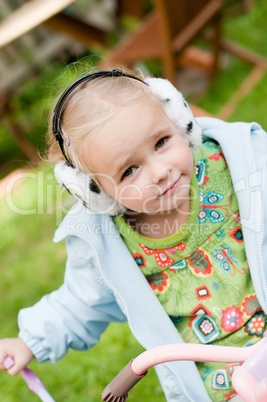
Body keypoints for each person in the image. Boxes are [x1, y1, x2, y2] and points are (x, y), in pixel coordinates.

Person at [0, 68, 267, 402]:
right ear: (96, 191)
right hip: (222, 389)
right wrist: (29, 341)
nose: (160, 171)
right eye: (128, 171)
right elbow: (81, 302)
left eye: (161, 142)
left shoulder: (241, 165)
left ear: (178, 118)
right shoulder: (109, 245)